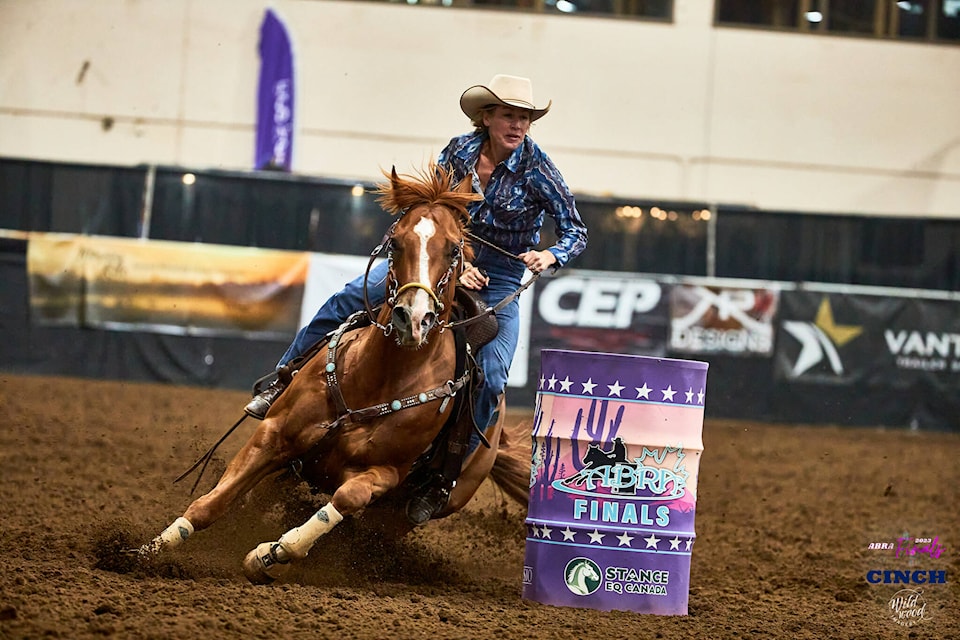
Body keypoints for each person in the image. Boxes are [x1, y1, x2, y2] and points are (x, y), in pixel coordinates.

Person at [245, 74, 588, 525]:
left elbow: (575, 230)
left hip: (501, 277)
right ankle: (282, 381)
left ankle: (442, 477)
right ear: (486, 118)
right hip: (439, 260)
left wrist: (550, 253)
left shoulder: (538, 169)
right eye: (509, 115)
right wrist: (456, 258)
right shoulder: (459, 151)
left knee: (491, 374)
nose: (518, 125)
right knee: (345, 301)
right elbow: (433, 210)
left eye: (524, 118)